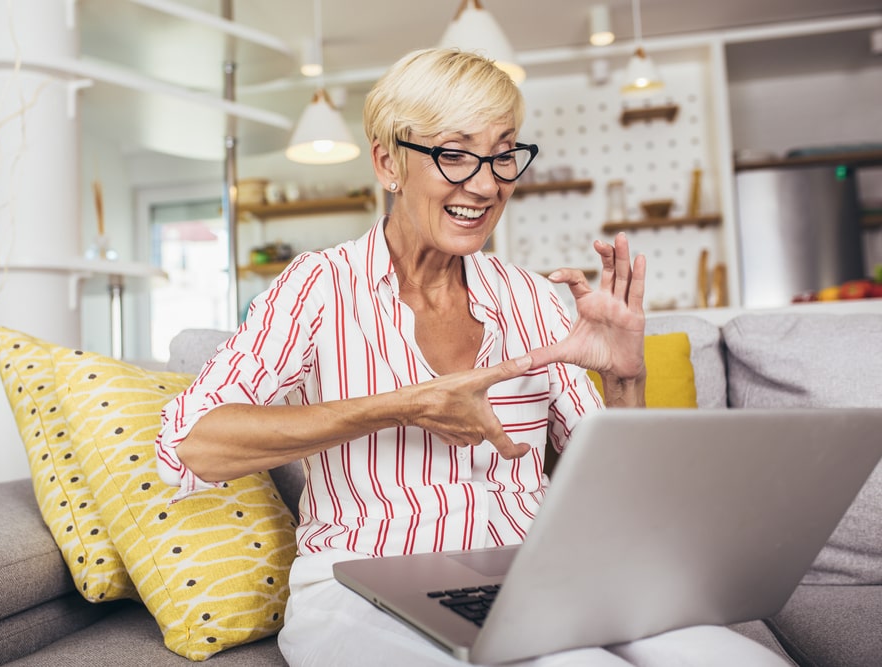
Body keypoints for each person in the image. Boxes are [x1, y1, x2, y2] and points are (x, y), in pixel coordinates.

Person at [155, 48, 788, 666]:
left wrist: (626, 379)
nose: (486, 185)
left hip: (537, 574)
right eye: (454, 155)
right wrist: (402, 406)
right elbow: (193, 444)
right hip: (364, 584)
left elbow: (628, 499)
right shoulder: (318, 287)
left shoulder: (534, 299)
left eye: (503, 154)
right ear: (388, 163)